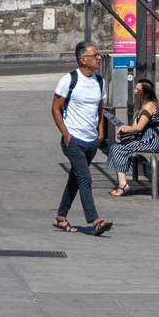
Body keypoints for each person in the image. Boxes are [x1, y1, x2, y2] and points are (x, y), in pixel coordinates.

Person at [51, 41, 111, 235]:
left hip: (91, 140)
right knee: (85, 177)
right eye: (95, 55)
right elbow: (55, 108)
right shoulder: (69, 80)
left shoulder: (99, 81)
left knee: (75, 179)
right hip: (74, 140)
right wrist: (66, 134)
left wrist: (101, 132)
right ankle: (95, 221)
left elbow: (99, 109)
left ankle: (61, 217)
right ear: (83, 60)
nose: (99, 58)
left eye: (99, 55)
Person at [108, 78, 159, 197]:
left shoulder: (149, 106)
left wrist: (125, 128)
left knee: (118, 149)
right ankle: (121, 183)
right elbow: (134, 127)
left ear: (145, 92)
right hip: (143, 139)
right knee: (115, 147)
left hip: (150, 140)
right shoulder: (142, 106)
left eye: (138, 89)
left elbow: (139, 127)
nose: (134, 91)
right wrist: (124, 131)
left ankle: (123, 185)